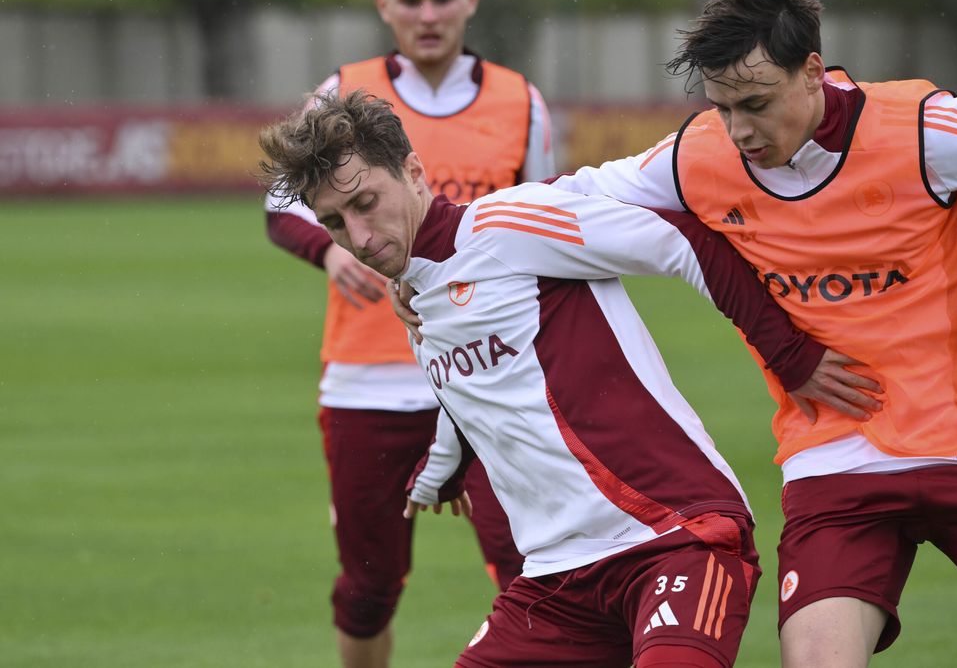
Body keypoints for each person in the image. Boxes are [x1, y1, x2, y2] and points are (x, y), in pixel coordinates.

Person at [527, 0, 957, 668]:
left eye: (755, 104)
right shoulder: (697, 157)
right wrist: (436, 252)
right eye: (722, 108)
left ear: (812, 70)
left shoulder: (924, 130)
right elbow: (559, 203)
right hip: (836, 464)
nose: (738, 131)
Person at [257, 90, 882, 667]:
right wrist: (442, 471)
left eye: (366, 203)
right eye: (336, 223)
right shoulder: (416, 291)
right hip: (556, 580)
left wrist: (790, 356)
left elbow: (678, 239)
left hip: (677, 538)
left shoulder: (508, 227)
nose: (359, 237)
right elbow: (473, 390)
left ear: (414, 172)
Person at [263, 0, 554, 666]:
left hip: (489, 374)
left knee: (534, 570)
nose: (428, 14)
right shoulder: (343, 90)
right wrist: (329, 250)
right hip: (369, 381)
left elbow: (547, 228)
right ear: (383, 5)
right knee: (368, 589)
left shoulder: (521, 101)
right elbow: (281, 205)